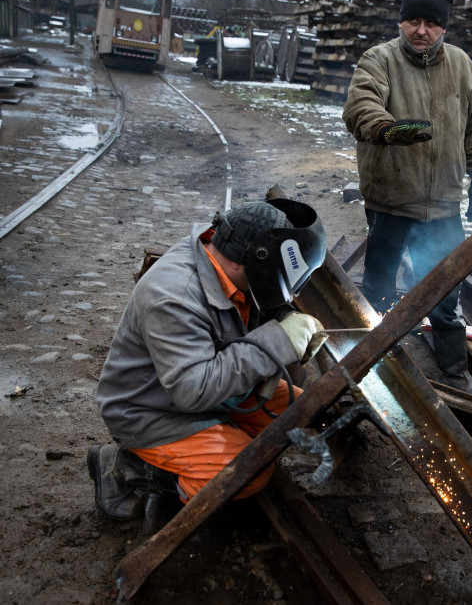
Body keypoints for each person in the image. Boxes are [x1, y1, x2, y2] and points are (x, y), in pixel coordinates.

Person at [87, 198, 327, 520]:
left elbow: (249, 308)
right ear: (250, 261)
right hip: (152, 410)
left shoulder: (225, 259)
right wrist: (280, 342)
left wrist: (287, 320)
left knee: (299, 413)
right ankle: (126, 467)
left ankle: (222, 434)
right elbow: (192, 390)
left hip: (215, 388)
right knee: (247, 474)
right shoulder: (174, 297)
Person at [342, 0, 472, 401]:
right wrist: (387, 129)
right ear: (401, 20)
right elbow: (360, 107)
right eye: (413, 20)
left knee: (447, 291)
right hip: (391, 200)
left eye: (431, 23)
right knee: (377, 291)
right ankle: (367, 374)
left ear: (443, 28)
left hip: (443, 203)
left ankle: (456, 374)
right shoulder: (380, 60)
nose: (421, 30)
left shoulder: (462, 66)